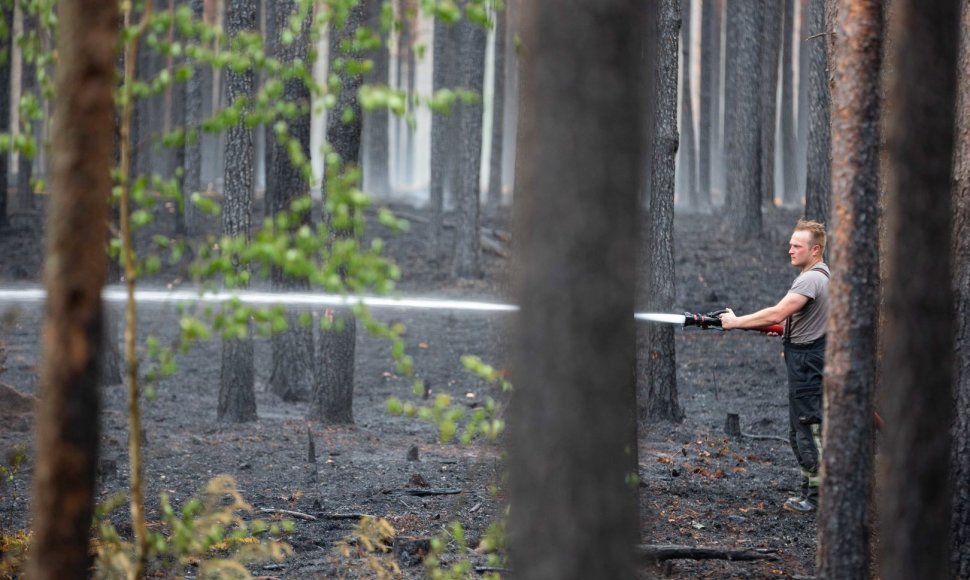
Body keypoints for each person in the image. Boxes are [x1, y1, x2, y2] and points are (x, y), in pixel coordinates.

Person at [719, 219, 829, 514]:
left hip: (808, 363)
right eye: (790, 243)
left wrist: (736, 322)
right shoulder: (816, 276)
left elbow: (778, 311)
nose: (790, 249)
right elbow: (793, 317)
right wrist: (785, 329)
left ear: (815, 250)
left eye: (797, 245)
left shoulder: (811, 279)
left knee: (808, 428)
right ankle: (809, 491)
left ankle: (819, 499)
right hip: (803, 360)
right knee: (798, 430)